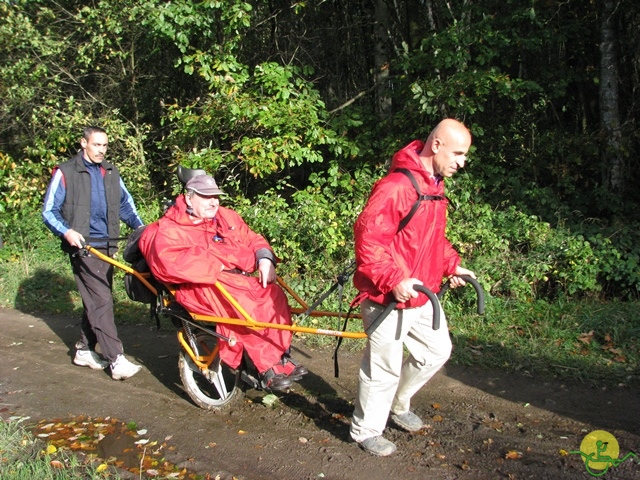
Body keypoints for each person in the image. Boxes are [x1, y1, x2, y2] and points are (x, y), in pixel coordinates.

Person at [349, 118, 476, 456]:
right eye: (458, 153)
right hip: (386, 296)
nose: (462, 162)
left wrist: (452, 265)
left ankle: (398, 404)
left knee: (437, 352)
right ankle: (366, 431)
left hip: (422, 295)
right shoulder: (396, 187)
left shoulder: (433, 185)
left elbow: (430, 240)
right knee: (383, 368)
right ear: (436, 145)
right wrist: (394, 280)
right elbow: (368, 242)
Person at [138, 174, 307, 391]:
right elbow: (168, 263)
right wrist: (219, 263)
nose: (213, 202)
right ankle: (264, 368)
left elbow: (252, 238)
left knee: (274, 296)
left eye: (216, 196)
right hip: (197, 286)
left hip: (233, 281)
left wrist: (265, 258)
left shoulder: (226, 217)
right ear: (189, 199)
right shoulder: (170, 228)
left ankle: (279, 356)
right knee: (247, 306)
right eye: (206, 196)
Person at [42, 126, 145, 380]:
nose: (101, 150)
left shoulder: (110, 172)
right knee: (102, 300)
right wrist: (67, 232)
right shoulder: (66, 171)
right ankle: (116, 359)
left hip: (108, 245)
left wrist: (141, 229)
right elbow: (48, 211)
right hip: (83, 247)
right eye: (96, 145)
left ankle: (84, 349)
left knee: (97, 298)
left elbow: (126, 204)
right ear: (84, 143)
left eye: (104, 146)